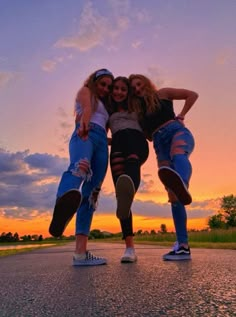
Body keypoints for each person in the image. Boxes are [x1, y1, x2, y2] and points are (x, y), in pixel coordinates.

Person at [129, 74, 198, 261]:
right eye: (133, 88)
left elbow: (192, 94)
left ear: (145, 83)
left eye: (138, 84)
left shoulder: (163, 93)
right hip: (159, 146)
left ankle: (182, 183)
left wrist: (182, 114)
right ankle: (183, 247)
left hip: (176, 131)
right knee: (174, 197)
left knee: (179, 155)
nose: (136, 89)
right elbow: (147, 137)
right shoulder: (139, 114)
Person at [49, 68, 114, 266]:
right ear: (94, 82)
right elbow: (86, 110)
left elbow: (104, 129)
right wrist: (84, 126)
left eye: (108, 86)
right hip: (84, 133)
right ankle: (63, 202)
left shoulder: (107, 105)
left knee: (92, 194)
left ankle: (80, 254)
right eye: (102, 84)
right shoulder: (86, 91)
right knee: (80, 167)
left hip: (102, 141)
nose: (105, 89)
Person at [108, 76, 149, 263]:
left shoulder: (137, 105)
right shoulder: (109, 110)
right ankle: (129, 249)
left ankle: (128, 190)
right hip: (117, 146)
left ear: (128, 91)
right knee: (122, 198)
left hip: (136, 143)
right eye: (115, 88)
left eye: (123, 89)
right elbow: (101, 130)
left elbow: (153, 112)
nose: (118, 92)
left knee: (131, 166)